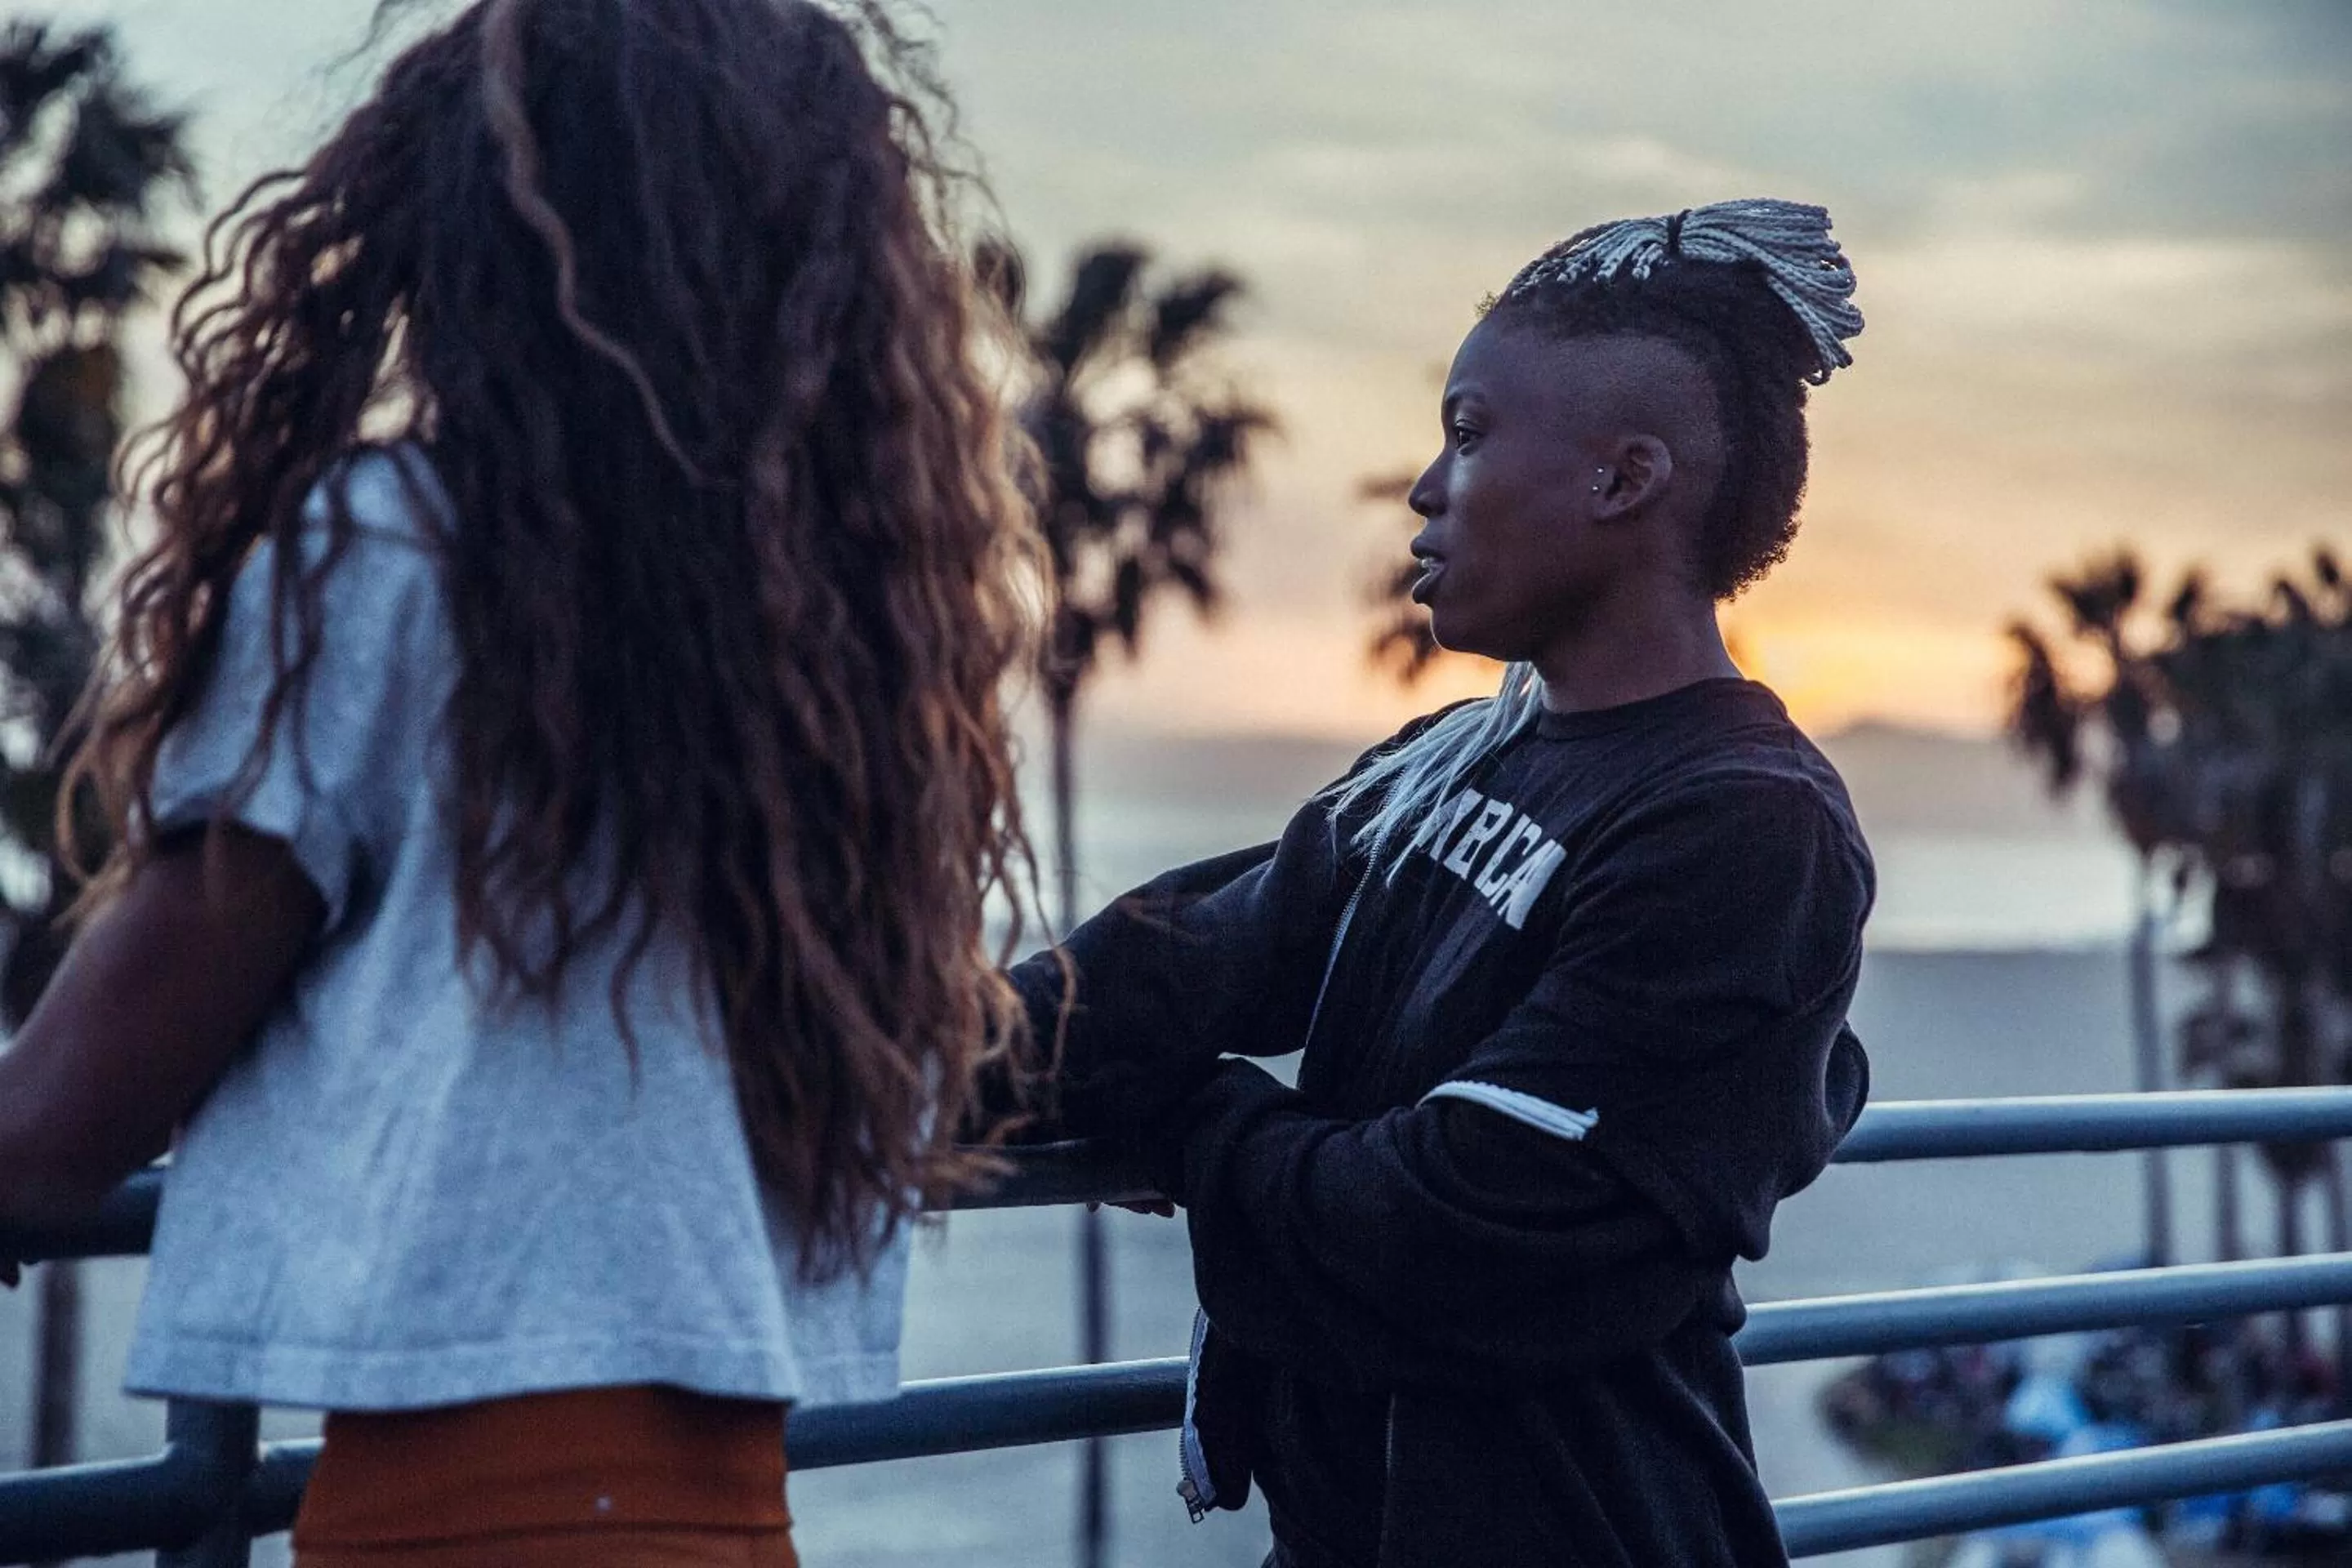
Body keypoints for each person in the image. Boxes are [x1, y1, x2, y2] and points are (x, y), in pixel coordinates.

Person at [0, 2, 1045, 1563]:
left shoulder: (391, 555)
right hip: (727, 1520)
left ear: (458, 221)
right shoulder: (835, 646)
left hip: (463, 1521)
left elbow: (61, 1124)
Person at [1013, 198, 1877, 1567]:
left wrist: (1190, 1123)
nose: (1425, 489)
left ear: (1622, 479)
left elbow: (1462, 1226)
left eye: (1468, 435)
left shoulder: (1746, 824)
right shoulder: (1451, 759)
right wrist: (889, 1060)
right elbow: (1193, 956)